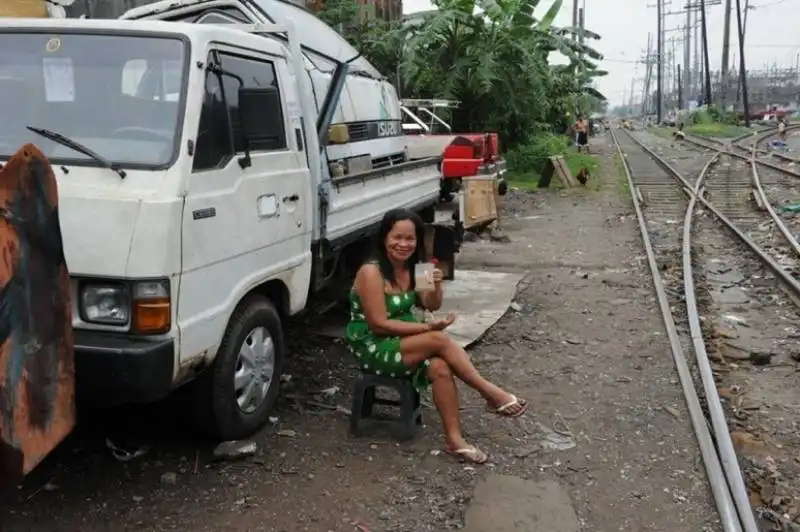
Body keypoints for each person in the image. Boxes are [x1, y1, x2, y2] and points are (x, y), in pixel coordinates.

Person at [346, 209, 528, 464]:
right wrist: (427, 330)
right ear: (384, 238)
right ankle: (489, 392)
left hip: (405, 342)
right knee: (439, 340)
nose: (403, 244)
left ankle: (455, 441)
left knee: (441, 366)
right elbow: (378, 325)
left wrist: (436, 282)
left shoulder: (418, 268)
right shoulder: (371, 272)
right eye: (397, 237)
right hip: (373, 345)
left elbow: (430, 306)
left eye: (410, 239)